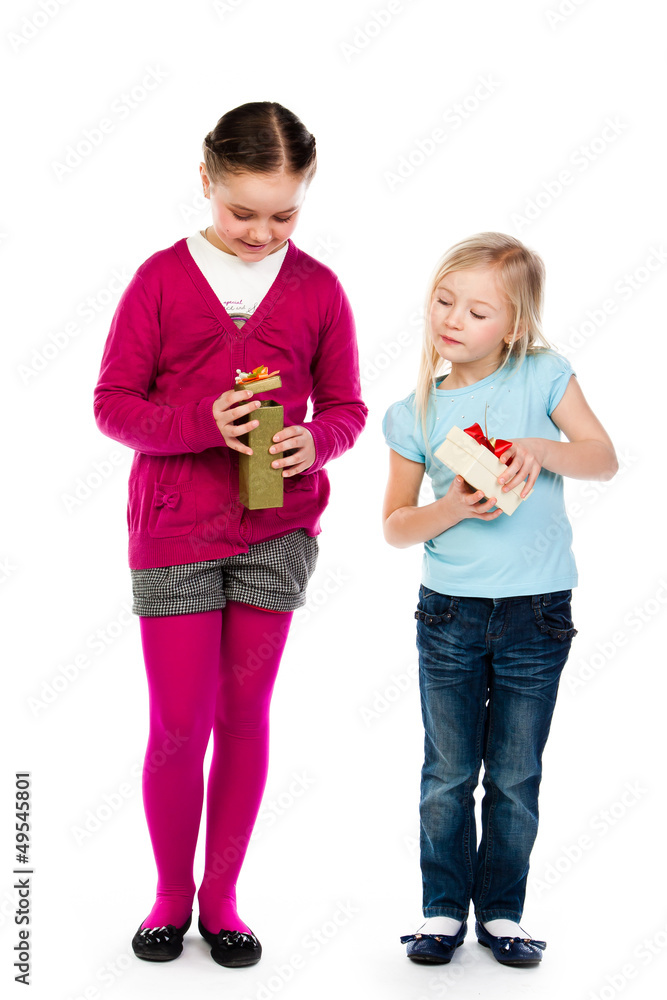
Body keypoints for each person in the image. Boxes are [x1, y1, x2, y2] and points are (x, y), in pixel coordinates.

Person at [93, 101, 367, 968]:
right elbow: (113, 407)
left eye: (283, 215)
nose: (259, 232)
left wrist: (312, 441)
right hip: (174, 530)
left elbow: (350, 408)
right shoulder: (160, 281)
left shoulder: (319, 289)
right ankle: (171, 896)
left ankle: (223, 900)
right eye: (240, 211)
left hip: (276, 530)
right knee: (180, 721)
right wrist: (202, 421)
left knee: (245, 713)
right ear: (205, 181)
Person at [381, 232, 617, 967]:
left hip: (537, 612)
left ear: (512, 326)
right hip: (448, 613)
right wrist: (451, 507)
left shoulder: (543, 374)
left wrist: (540, 449)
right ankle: (442, 911)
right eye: (443, 301)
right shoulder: (413, 412)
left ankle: (504, 913)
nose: (453, 319)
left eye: (477, 311)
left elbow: (603, 458)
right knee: (446, 772)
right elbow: (394, 527)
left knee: (515, 775)